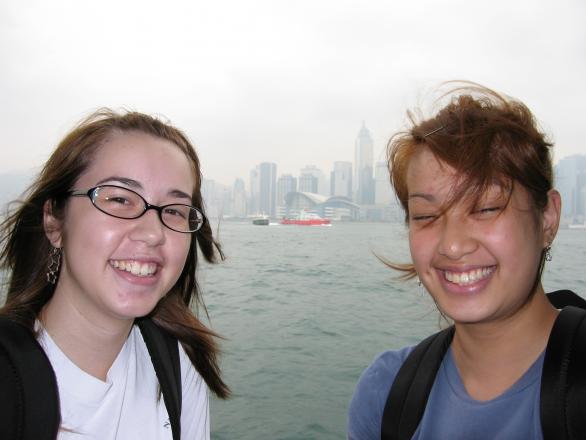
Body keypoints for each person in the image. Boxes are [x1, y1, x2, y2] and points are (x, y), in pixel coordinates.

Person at [347, 83, 584, 439]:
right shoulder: (385, 391)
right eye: (426, 216)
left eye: (486, 208)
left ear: (547, 219)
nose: (453, 245)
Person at [0, 109, 229, 439]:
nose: (153, 233)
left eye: (174, 211)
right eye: (120, 199)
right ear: (54, 221)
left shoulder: (176, 363)